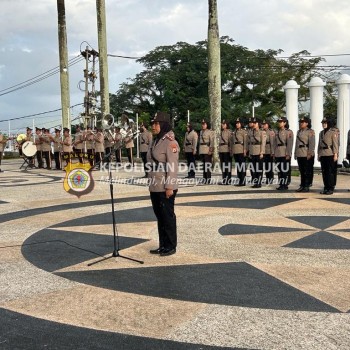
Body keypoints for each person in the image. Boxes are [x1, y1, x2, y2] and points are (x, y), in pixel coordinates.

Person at [147, 112, 179, 257]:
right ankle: (163, 244)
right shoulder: (156, 141)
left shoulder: (170, 142)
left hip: (165, 186)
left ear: (164, 124)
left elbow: (173, 167)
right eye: (153, 123)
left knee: (167, 216)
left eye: (156, 123)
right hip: (155, 185)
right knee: (160, 216)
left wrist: (169, 187)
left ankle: (171, 245)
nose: (153, 126)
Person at [317, 117, 339, 195]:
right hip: (323, 154)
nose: (323, 124)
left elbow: (335, 144)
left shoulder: (333, 132)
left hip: (330, 153)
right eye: (323, 123)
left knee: (330, 172)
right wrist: (318, 154)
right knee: (324, 172)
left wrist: (335, 154)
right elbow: (319, 144)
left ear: (329, 123)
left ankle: (330, 187)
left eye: (325, 123)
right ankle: (326, 187)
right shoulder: (321, 133)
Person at [294, 117, 315, 192]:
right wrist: (295, 153)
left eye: (303, 122)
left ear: (307, 123)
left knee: (307, 170)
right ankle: (302, 185)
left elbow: (312, 143)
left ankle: (307, 185)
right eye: (300, 122)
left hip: (306, 153)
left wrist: (310, 153)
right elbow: (296, 143)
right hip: (300, 153)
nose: (301, 123)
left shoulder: (310, 131)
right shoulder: (298, 131)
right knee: (302, 171)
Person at [274, 117, 294, 190]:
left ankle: (285, 184)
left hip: (285, 152)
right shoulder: (277, 132)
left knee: (285, 170)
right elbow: (275, 144)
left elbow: (290, 144)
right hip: (278, 153)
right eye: (279, 122)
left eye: (281, 122)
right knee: (279, 170)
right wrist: (274, 153)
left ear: (285, 123)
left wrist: (288, 154)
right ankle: (281, 184)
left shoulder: (289, 132)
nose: (279, 123)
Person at [247, 117, 266, 188]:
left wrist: (262, 152)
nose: (254, 124)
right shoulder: (251, 132)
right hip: (252, 152)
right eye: (253, 123)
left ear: (258, 124)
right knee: (253, 169)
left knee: (259, 169)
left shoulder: (262, 132)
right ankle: (255, 182)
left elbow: (263, 143)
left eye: (255, 123)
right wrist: (249, 153)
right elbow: (250, 143)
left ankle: (259, 182)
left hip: (258, 152)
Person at [230, 118, 247, 186]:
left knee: (242, 166)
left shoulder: (243, 132)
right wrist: (232, 150)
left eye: (238, 123)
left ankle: (243, 181)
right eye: (236, 123)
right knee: (238, 166)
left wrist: (245, 150)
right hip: (236, 150)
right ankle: (240, 180)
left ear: (241, 124)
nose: (237, 124)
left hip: (241, 150)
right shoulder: (234, 132)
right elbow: (232, 142)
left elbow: (245, 141)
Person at [199, 120, 214, 184]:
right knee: (204, 165)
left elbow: (212, 142)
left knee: (207, 165)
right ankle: (204, 178)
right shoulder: (201, 132)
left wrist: (211, 150)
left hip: (207, 150)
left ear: (207, 125)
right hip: (202, 150)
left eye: (204, 124)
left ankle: (208, 179)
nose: (203, 125)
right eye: (202, 124)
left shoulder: (210, 132)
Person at [261, 120, 275, 185]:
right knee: (266, 166)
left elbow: (272, 143)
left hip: (269, 151)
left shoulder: (271, 132)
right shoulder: (262, 131)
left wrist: (272, 152)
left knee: (270, 165)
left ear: (268, 125)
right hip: (264, 151)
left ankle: (271, 178)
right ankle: (267, 178)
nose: (263, 125)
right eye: (263, 124)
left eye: (265, 124)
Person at [218, 120, 232, 184]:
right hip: (221, 150)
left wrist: (231, 150)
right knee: (222, 166)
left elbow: (230, 142)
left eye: (224, 124)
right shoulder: (221, 132)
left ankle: (228, 179)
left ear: (227, 125)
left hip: (227, 150)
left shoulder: (229, 132)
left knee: (227, 165)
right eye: (222, 124)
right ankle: (224, 179)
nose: (222, 125)